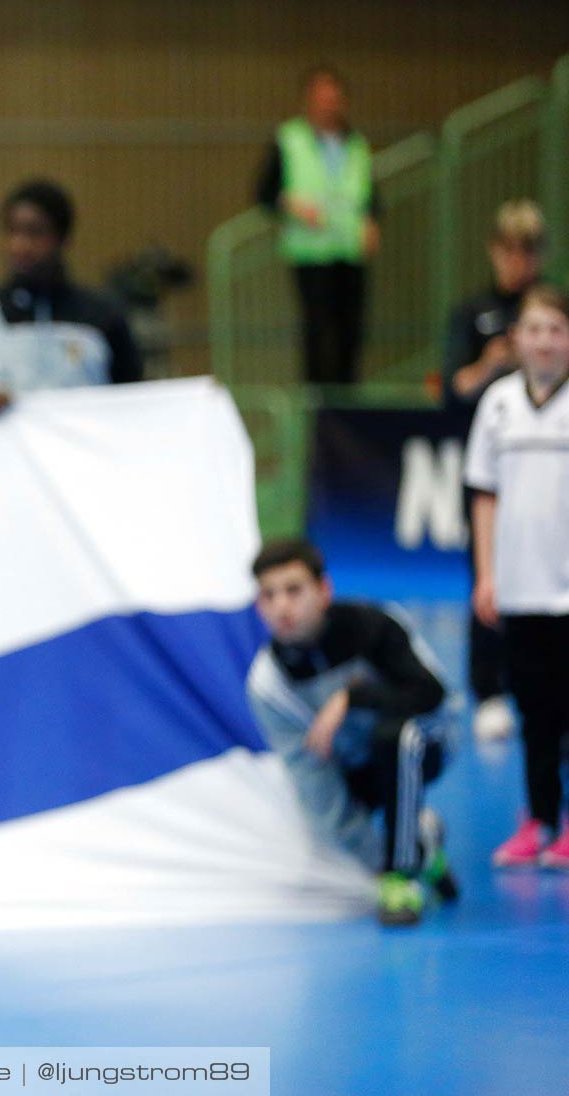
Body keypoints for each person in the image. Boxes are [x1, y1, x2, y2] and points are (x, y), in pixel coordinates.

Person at [246, 539, 456, 927]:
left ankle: (402, 874)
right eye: (268, 596)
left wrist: (353, 696)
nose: (281, 607)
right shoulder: (267, 684)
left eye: (294, 590)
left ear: (324, 591)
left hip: (426, 739)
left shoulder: (374, 626)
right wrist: (375, 856)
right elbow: (311, 777)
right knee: (317, 822)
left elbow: (430, 693)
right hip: (355, 766)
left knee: (395, 738)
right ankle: (422, 849)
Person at [466, 284, 569, 869]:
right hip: (521, 589)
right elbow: (484, 496)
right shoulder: (499, 404)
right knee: (534, 712)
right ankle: (539, 819)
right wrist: (488, 574)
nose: (545, 341)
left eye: (556, 329)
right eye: (534, 330)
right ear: (516, 340)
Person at [0, 178, 141, 436]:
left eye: (35, 232)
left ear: (62, 238)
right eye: (13, 231)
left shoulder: (103, 316)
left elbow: (132, 408)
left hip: (81, 470)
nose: (20, 245)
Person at [444, 200, 546, 743]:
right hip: (493, 469)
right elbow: (451, 393)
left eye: (527, 250)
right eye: (508, 248)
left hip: (553, 472)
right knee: (489, 577)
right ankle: (488, 689)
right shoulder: (472, 313)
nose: (517, 260)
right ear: (494, 251)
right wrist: (491, 364)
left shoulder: (553, 311)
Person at [256, 65, 381, 385]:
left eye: (335, 99)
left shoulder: (356, 144)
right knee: (318, 332)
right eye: (322, 98)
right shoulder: (289, 139)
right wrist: (291, 204)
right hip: (311, 253)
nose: (329, 105)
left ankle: (347, 406)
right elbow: (264, 192)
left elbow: (369, 194)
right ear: (308, 101)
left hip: (349, 251)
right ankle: (317, 409)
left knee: (350, 332)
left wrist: (371, 223)